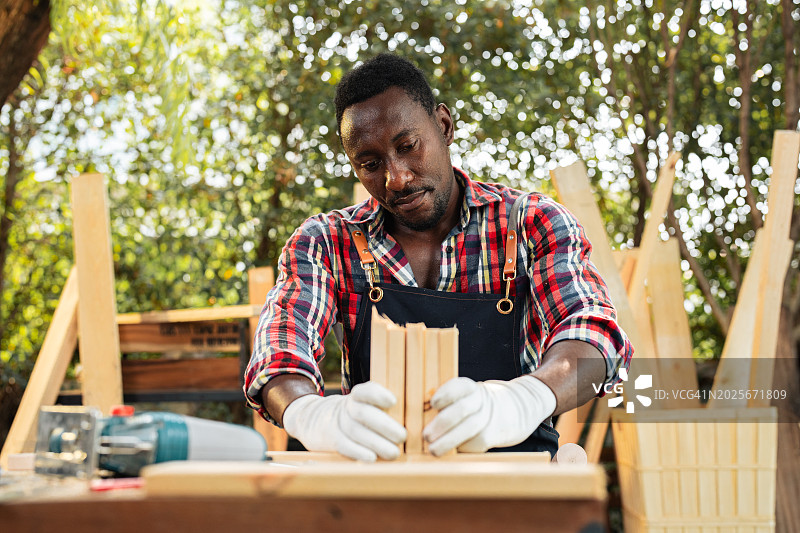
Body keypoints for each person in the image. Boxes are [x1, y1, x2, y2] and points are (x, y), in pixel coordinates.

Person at [245, 53, 633, 461]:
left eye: (408, 146)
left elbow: (595, 336)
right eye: (371, 164)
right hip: (381, 497)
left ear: (444, 126)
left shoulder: (532, 224)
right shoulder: (327, 243)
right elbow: (279, 351)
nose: (397, 178)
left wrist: (521, 401)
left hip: (513, 489)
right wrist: (311, 414)